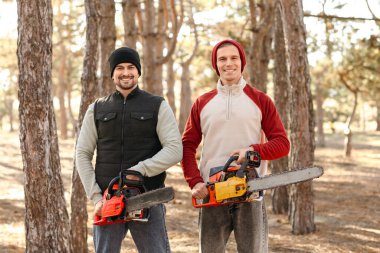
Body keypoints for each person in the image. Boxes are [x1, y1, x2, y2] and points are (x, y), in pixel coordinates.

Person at [181, 39, 290, 253]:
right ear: (216, 64)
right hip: (212, 192)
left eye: (234, 58)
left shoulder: (260, 100)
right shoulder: (202, 103)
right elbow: (187, 146)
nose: (228, 63)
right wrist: (194, 181)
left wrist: (252, 151)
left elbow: (282, 144)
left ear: (242, 62)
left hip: (250, 191)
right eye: (222, 59)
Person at [76, 46, 182, 253]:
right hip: (108, 199)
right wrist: (96, 197)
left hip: (147, 196)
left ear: (138, 71)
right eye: (120, 68)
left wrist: (141, 169)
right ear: (112, 73)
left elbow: (175, 149)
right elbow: (82, 154)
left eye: (131, 67)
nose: (126, 72)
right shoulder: (97, 108)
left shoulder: (157, 105)